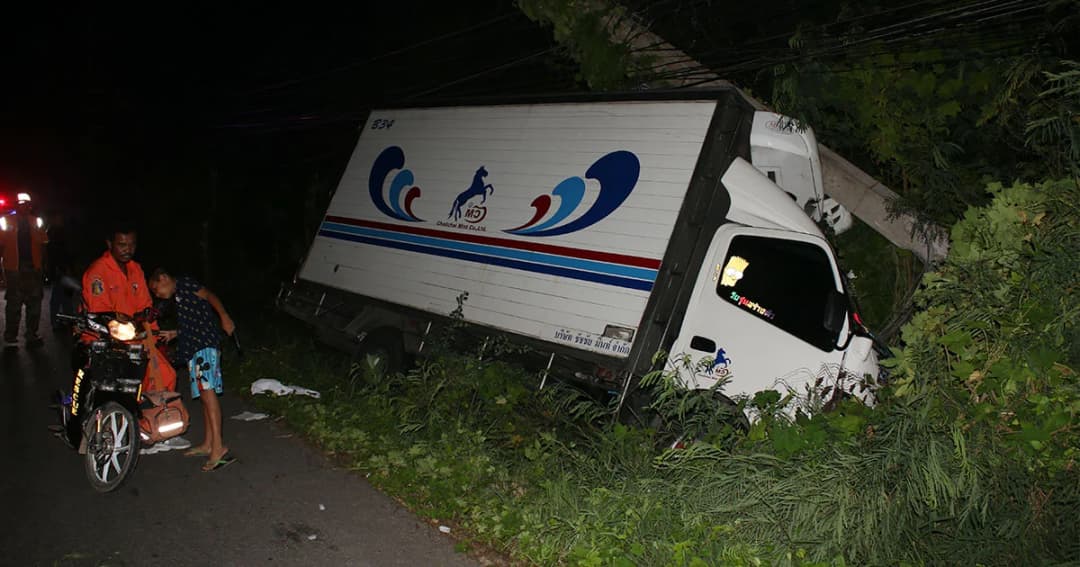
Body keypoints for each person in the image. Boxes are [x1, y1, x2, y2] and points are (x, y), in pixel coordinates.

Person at [82, 222, 190, 453]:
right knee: (130, 386)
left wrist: (156, 337)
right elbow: (99, 314)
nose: (127, 249)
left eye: (131, 244)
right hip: (109, 341)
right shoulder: (98, 272)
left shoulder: (135, 269)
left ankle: (159, 429)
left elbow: (146, 306)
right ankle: (136, 434)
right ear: (109, 244)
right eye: (121, 244)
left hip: (139, 338)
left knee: (166, 376)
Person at [149, 268, 236, 472]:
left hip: (205, 345)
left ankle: (218, 447)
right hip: (194, 348)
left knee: (208, 393)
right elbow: (195, 321)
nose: (157, 295)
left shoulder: (185, 284)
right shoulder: (179, 296)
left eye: (156, 289)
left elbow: (210, 296)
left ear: (163, 278)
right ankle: (208, 443)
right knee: (204, 396)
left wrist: (224, 316)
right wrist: (175, 333)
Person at [0, 194, 48, 348]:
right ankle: (10, 336)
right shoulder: (5, 221)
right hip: (14, 269)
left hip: (33, 269)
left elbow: (44, 244)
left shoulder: (36, 221)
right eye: (19, 203)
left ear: (30, 205)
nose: (22, 206)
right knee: (14, 303)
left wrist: (44, 267)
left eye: (25, 203)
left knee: (34, 304)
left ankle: (31, 334)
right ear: (15, 205)